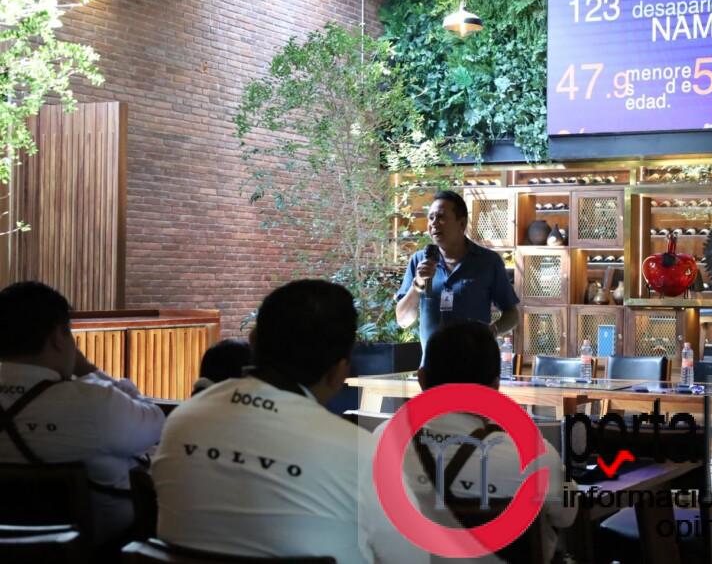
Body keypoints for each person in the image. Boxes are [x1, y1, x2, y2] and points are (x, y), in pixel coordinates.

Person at [152, 280, 423, 563]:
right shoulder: (361, 453)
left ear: (253, 341)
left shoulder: (182, 421)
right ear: (340, 371)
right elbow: (412, 557)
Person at [375, 321, 577, 562]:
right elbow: (567, 514)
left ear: (422, 378)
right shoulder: (533, 458)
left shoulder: (381, 442)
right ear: (495, 387)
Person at [0, 281, 165, 544]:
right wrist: (88, 369)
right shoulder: (95, 403)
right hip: (106, 547)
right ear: (58, 337)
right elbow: (156, 422)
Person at [395, 190, 519, 358]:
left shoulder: (488, 262)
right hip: (433, 367)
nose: (434, 223)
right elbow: (403, 320)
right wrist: (417, 285)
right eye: (431, 218)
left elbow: (512, 314)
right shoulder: (419, 261)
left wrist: (492, 331)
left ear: (461, 223)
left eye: (441, 217)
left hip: (475, 365)